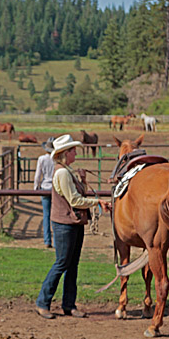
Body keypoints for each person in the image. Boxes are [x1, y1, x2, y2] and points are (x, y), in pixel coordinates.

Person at [35, 134, 111, 320]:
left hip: (72, 223)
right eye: (73, 150)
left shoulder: (66, 171)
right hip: (65, 224)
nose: (76, 152)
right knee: (62, 263)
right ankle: (43, 302)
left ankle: (68, 305)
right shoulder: (62, 172)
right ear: (65, 153)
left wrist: (83, 181)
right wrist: (97, 202)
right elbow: (75, 200)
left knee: (71, 264)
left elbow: (77, 194)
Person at [34, 137, 55, 248]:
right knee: (56, 215)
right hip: (55, 189)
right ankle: (56, 241)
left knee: (46, 215)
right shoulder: (57, 159)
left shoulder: (41, 159)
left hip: (45, 187)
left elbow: (38, 175)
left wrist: (35, 187)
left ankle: (47, 241)